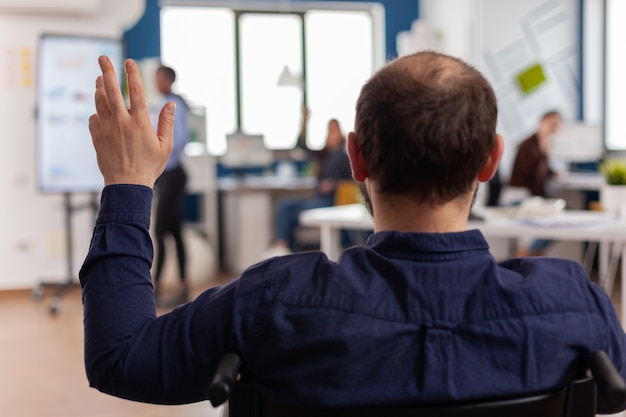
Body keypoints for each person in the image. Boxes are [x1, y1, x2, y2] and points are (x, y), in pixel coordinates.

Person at [80, 53, 626, 412]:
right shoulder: (572, 306)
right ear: (491, 161)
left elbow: (122, 357)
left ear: (357, 158)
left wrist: (127, 184)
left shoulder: (273, 303)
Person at [269, 110, 352, 253]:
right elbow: (301, 146)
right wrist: (304, 123)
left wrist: (334, 184)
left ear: (341, 134)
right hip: (318, 198)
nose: (331, 136)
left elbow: (353, 180)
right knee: (285, 205)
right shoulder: (324, 155)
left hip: (332, 200)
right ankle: (283, 247)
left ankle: (284, 248)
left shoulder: (344, 155)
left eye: (334, 132)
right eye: (329, 132)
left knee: (291, 213)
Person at [152, 65, 190, 306]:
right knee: (174, 232)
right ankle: (183, 286)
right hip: (166, 176)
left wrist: (159, 147)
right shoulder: (163, 103)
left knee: (159, 231)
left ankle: (155, 288)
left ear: (168, 80)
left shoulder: (175, 104)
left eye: (159, 78)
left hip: (174, 175)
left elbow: (182, 138)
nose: (156, 82)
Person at [509, 110, 562, 256]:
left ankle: (532, 253)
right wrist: (543, 154)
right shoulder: (529, 145)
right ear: (541, 123)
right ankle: (526, 252)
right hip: (519, 197)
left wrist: (553, 172)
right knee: (550, 223)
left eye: (556, 125)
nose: (553, 127)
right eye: (551, 123)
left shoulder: (541, 145)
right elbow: (531, 173)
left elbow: (543, 171)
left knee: (560, 219)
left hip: (531, 197)